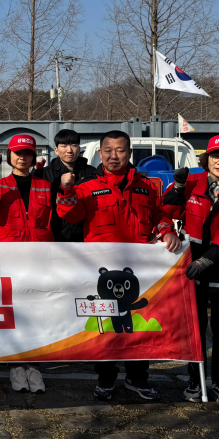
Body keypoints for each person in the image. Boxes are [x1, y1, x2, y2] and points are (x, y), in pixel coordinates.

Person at [57, 130, 181, 402]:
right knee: (106, 329)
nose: (114, 156)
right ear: (100, 154)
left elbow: (159, 215)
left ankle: (138, 378)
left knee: (138, 326)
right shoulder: (87, 187)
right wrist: (66, 190)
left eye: (120, 150)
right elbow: (69, 213)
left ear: (130, 153)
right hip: (103, 275)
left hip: (139, 272)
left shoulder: (146, 186)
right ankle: (105, 379)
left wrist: (167, 231)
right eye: (108, 151)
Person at [163, 135, 219, 410]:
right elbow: (166, 211)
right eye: (215, 156)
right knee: (195, 328)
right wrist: (177, 188)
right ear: (206, 159)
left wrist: (207, 260)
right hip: (194, 269)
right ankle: (196, 380)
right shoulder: (191, 184)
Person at [0, 134, 54, 394]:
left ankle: (34, 365)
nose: (22, 157)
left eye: (28, 153)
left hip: (39, 259)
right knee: (14, 311)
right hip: (9, 259)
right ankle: (16, 365)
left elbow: (54, 220)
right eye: (18, 153)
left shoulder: (45, 186)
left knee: (36, 311)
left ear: (34, 157)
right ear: (9, 156)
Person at [39, 129, 98, 242]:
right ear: (56, 150)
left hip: (85, 235)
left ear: (79, 149)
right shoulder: (44, 174)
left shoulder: (92, 173)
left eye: (74, 145)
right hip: (55, 236)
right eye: (64, 145)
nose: (69, 150)